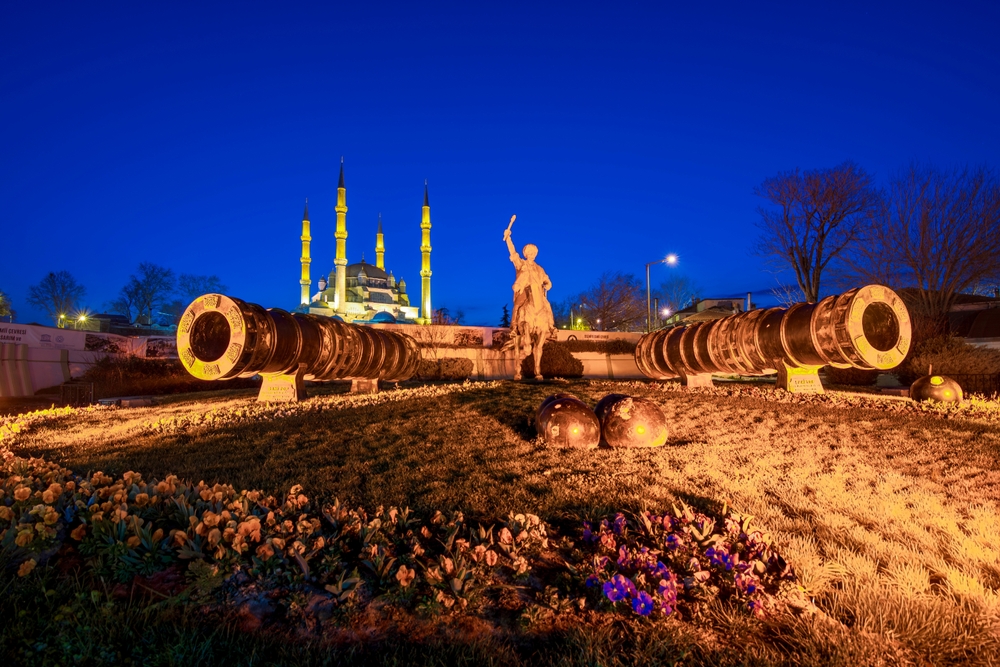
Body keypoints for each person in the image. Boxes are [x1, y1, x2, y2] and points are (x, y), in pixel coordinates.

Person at [503, 216, 557, 379]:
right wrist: (508, 239)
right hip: (524, 292)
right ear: (526, 254)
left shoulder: (539, 268)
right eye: (529, 252)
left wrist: (548, 284)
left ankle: (551, 327)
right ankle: (514, 328)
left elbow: (547, 279)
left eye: (534, 253)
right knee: (518, 306)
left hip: (538, 294)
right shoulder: (522, 264)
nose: (532, 254)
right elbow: (513, 253)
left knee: (547, 305)